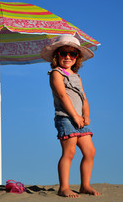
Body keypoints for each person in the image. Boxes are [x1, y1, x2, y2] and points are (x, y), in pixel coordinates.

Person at [41, 35, 101, 198]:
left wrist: (86, 115)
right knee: (69, 152)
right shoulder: (56, 74)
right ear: (57, 56)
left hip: (80, 119)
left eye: (72, 54)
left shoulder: (76, 76)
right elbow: (62, 95)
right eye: (63, 53)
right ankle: (64, 187)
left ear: (77, 58)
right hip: (66, 118)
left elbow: (84, 98)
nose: (68, 56)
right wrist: (74, 115)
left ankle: (85, 185)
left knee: (90, 151)